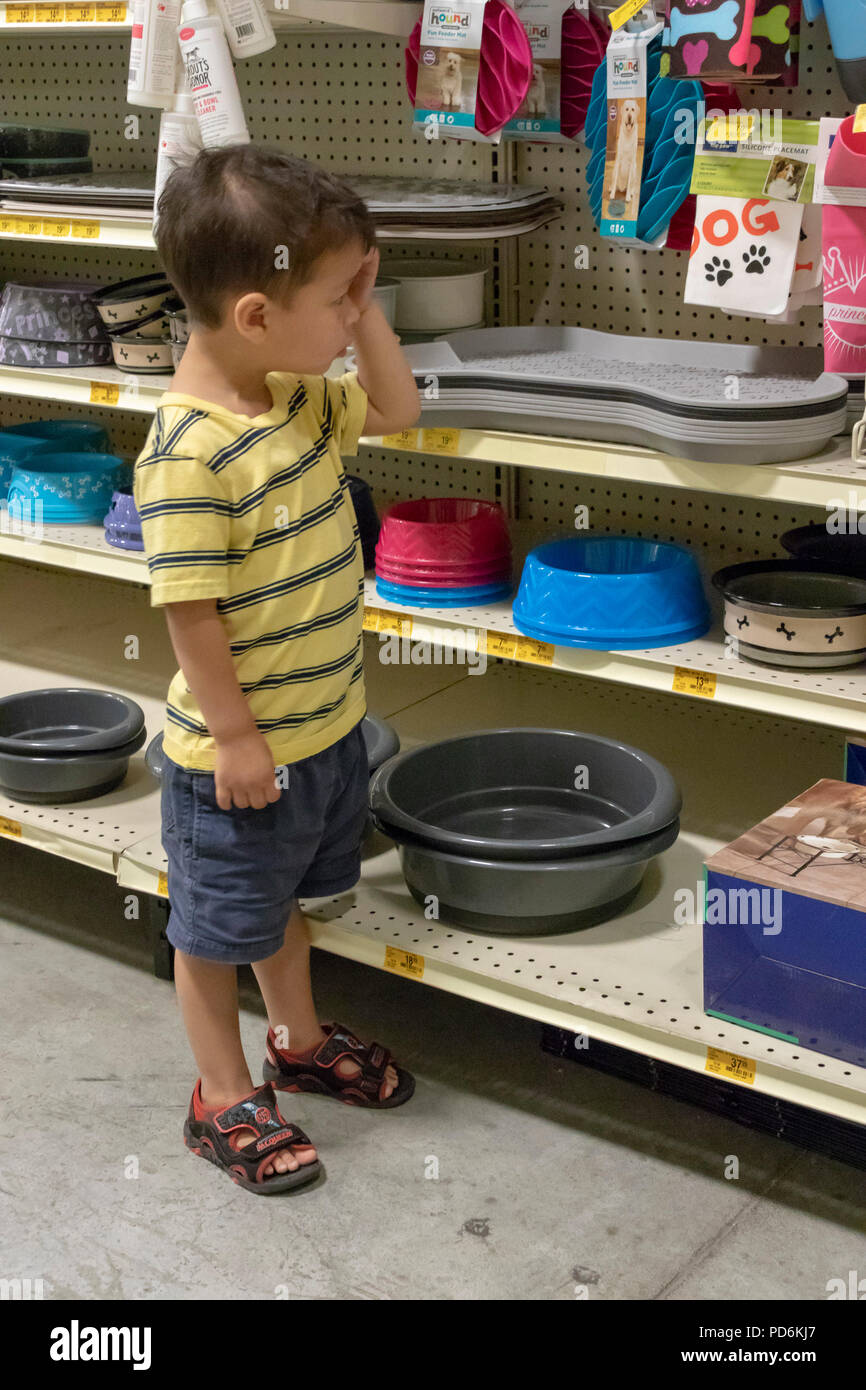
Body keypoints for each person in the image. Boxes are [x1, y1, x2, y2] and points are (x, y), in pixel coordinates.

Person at [133, 145, 422, 1195]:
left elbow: (396, 410)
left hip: (324, 737)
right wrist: (242, 738)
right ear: (256, 316)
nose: (349, 320)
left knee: (281, 912)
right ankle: (218, 1097)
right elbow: (190, 613)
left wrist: (363, 309)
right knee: (212, 935)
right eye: (334, 298)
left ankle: (293, 1040)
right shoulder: (189, 453)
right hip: (237, 761)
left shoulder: (298, 399)